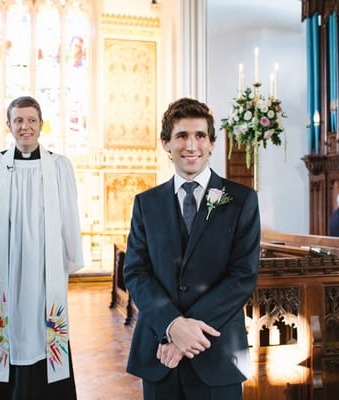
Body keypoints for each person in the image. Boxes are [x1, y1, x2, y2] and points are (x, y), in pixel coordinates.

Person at [123, 97, 261, 400]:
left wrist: (186, 334)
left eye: (200, 136)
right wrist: (171, 325)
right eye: (181, 136)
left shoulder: (241, 200)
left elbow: (242, 275)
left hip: (217, 351)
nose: (191, 145)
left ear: (212, 143)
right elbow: (135, 271)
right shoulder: (146, 204)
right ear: (165, 144)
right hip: (160, 351)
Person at [0, 96, 84, 399]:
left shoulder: (59, 166)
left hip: (43, 269)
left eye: (31, 120)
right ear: (9, 126)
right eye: (18, 121)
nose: (25, 127)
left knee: (41, 329)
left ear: (41, 125)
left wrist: (67, 258)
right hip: (2, 265)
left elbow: (69, 216)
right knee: (4, 327)